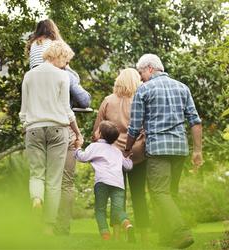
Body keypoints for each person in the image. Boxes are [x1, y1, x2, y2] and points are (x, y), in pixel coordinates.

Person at [125, 54, 203, 249]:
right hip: (179, 148)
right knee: (170, 194)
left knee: (159, 192)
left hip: (158, 148)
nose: (141, 77)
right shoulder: (182, 87)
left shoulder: (144, 90)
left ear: (150, 69)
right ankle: (167, 239)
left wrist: (127, 148)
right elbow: (195, 121)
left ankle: (182, 231)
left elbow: (134, 126)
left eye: (141, 72)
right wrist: (197, 150)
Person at [26, 19, 91, 235]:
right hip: (57, 128)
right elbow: (67, 109)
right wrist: (77, 131)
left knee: (37, 174)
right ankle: (49, 228)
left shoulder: (29, 73)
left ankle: (36, 199)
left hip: (33, 127)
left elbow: (23, 110)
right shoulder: (63, 75)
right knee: (56, 180)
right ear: (59, 56)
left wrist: (29, 124)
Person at [92, 68, 150, 242]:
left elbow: (97, 132)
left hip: (113, 156)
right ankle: (145, 238)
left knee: (117, 196)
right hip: (138, 154)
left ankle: (117, 237)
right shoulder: (141, 101)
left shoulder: (108, 101)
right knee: (139, 195)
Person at [75, 121, 136, 242]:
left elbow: (82, 157)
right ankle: (127, 225)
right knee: (118, 210)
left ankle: (106, 236)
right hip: (118, 184)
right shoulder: (117, 151)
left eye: (97, 130)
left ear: (100, 134)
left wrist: (77, 148)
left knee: (100, 210)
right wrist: (128, 158)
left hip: (102, 182)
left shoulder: (94, 146)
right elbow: (128, 167)